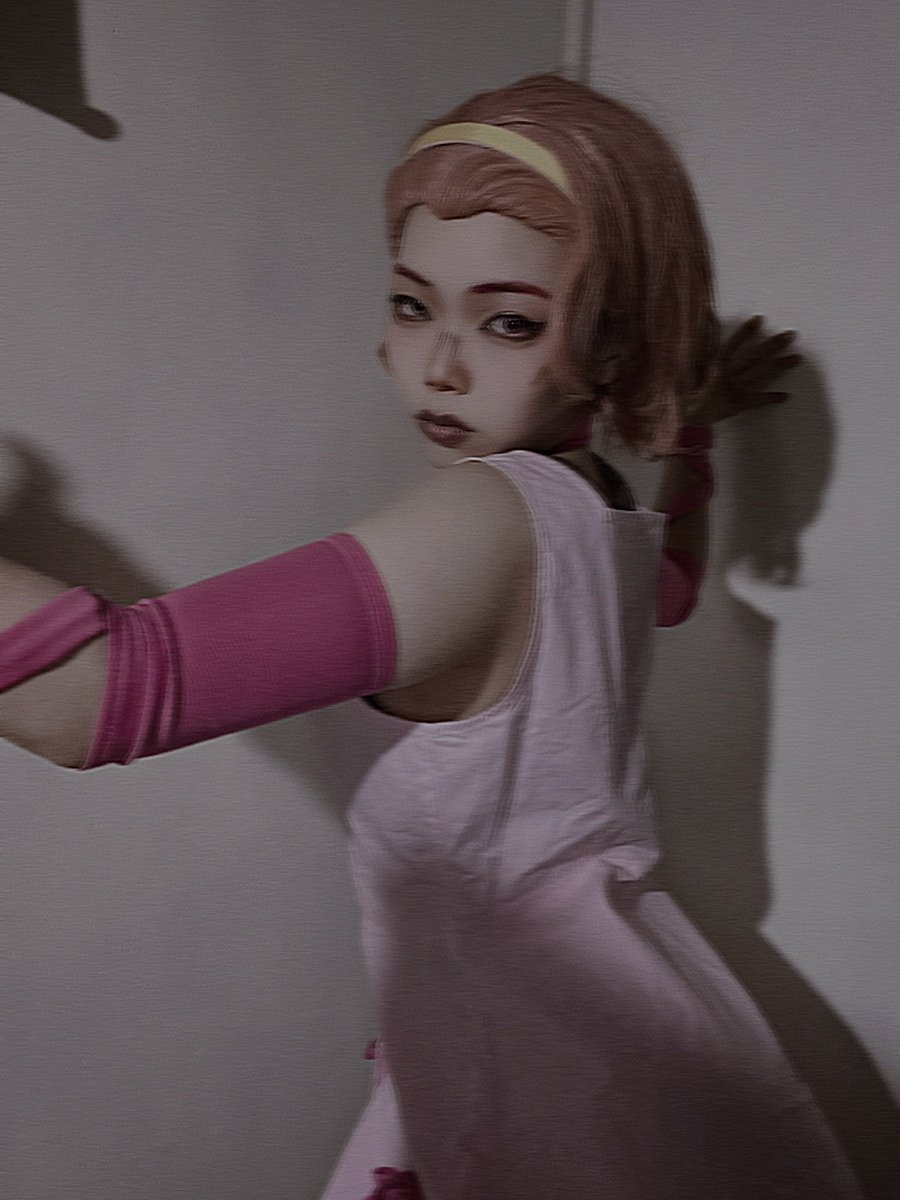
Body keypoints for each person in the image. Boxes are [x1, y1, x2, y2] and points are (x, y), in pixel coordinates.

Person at [0, 74, 860, 1200]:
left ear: (614, 344)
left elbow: (96, 698)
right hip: (625, 1027)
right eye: (413, 306)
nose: (440, 367)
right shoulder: (595, 500)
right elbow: (675, 589)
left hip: (548, 1072)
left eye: (509, 322)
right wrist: (689, 433)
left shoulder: (484, 516)